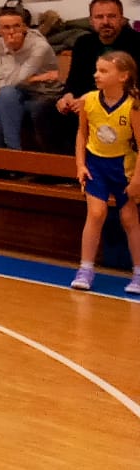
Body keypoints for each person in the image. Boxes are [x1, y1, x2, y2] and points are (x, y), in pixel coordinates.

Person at [71, 49, 139, 294]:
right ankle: (85, 269)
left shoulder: (133, 106)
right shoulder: (88, 100)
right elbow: (82, 133)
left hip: (123, 166)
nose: (96, 75)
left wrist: (137, 179)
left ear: (123, 76)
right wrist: (80, 164)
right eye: (96, 70)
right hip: (96, 165)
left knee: (129, 219)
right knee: (96, 213)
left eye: (103, 71)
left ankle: (138, 273)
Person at [0, 6, 64, 151]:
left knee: (3, 100)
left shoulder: (39, 46)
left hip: (45, 95)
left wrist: (28, 78)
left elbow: (16, 80)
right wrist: (35, 78)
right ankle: (4, 155)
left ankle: (13, 152)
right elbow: (0, 83)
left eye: (16, 26)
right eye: (6, 27)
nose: (12, 31)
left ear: (24, 27)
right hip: (19, 93)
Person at [56, 0, 140, 122]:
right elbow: (74, 79)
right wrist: (67, 96)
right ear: (91, 21)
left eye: (112, 16)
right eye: (99, 17)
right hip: (86, 101)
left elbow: (133, 84)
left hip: (125, 101)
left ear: (122, 19)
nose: (105, 22)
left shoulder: (136, 42)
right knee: (48, 110)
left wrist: (93, 101)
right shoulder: (83, 43)